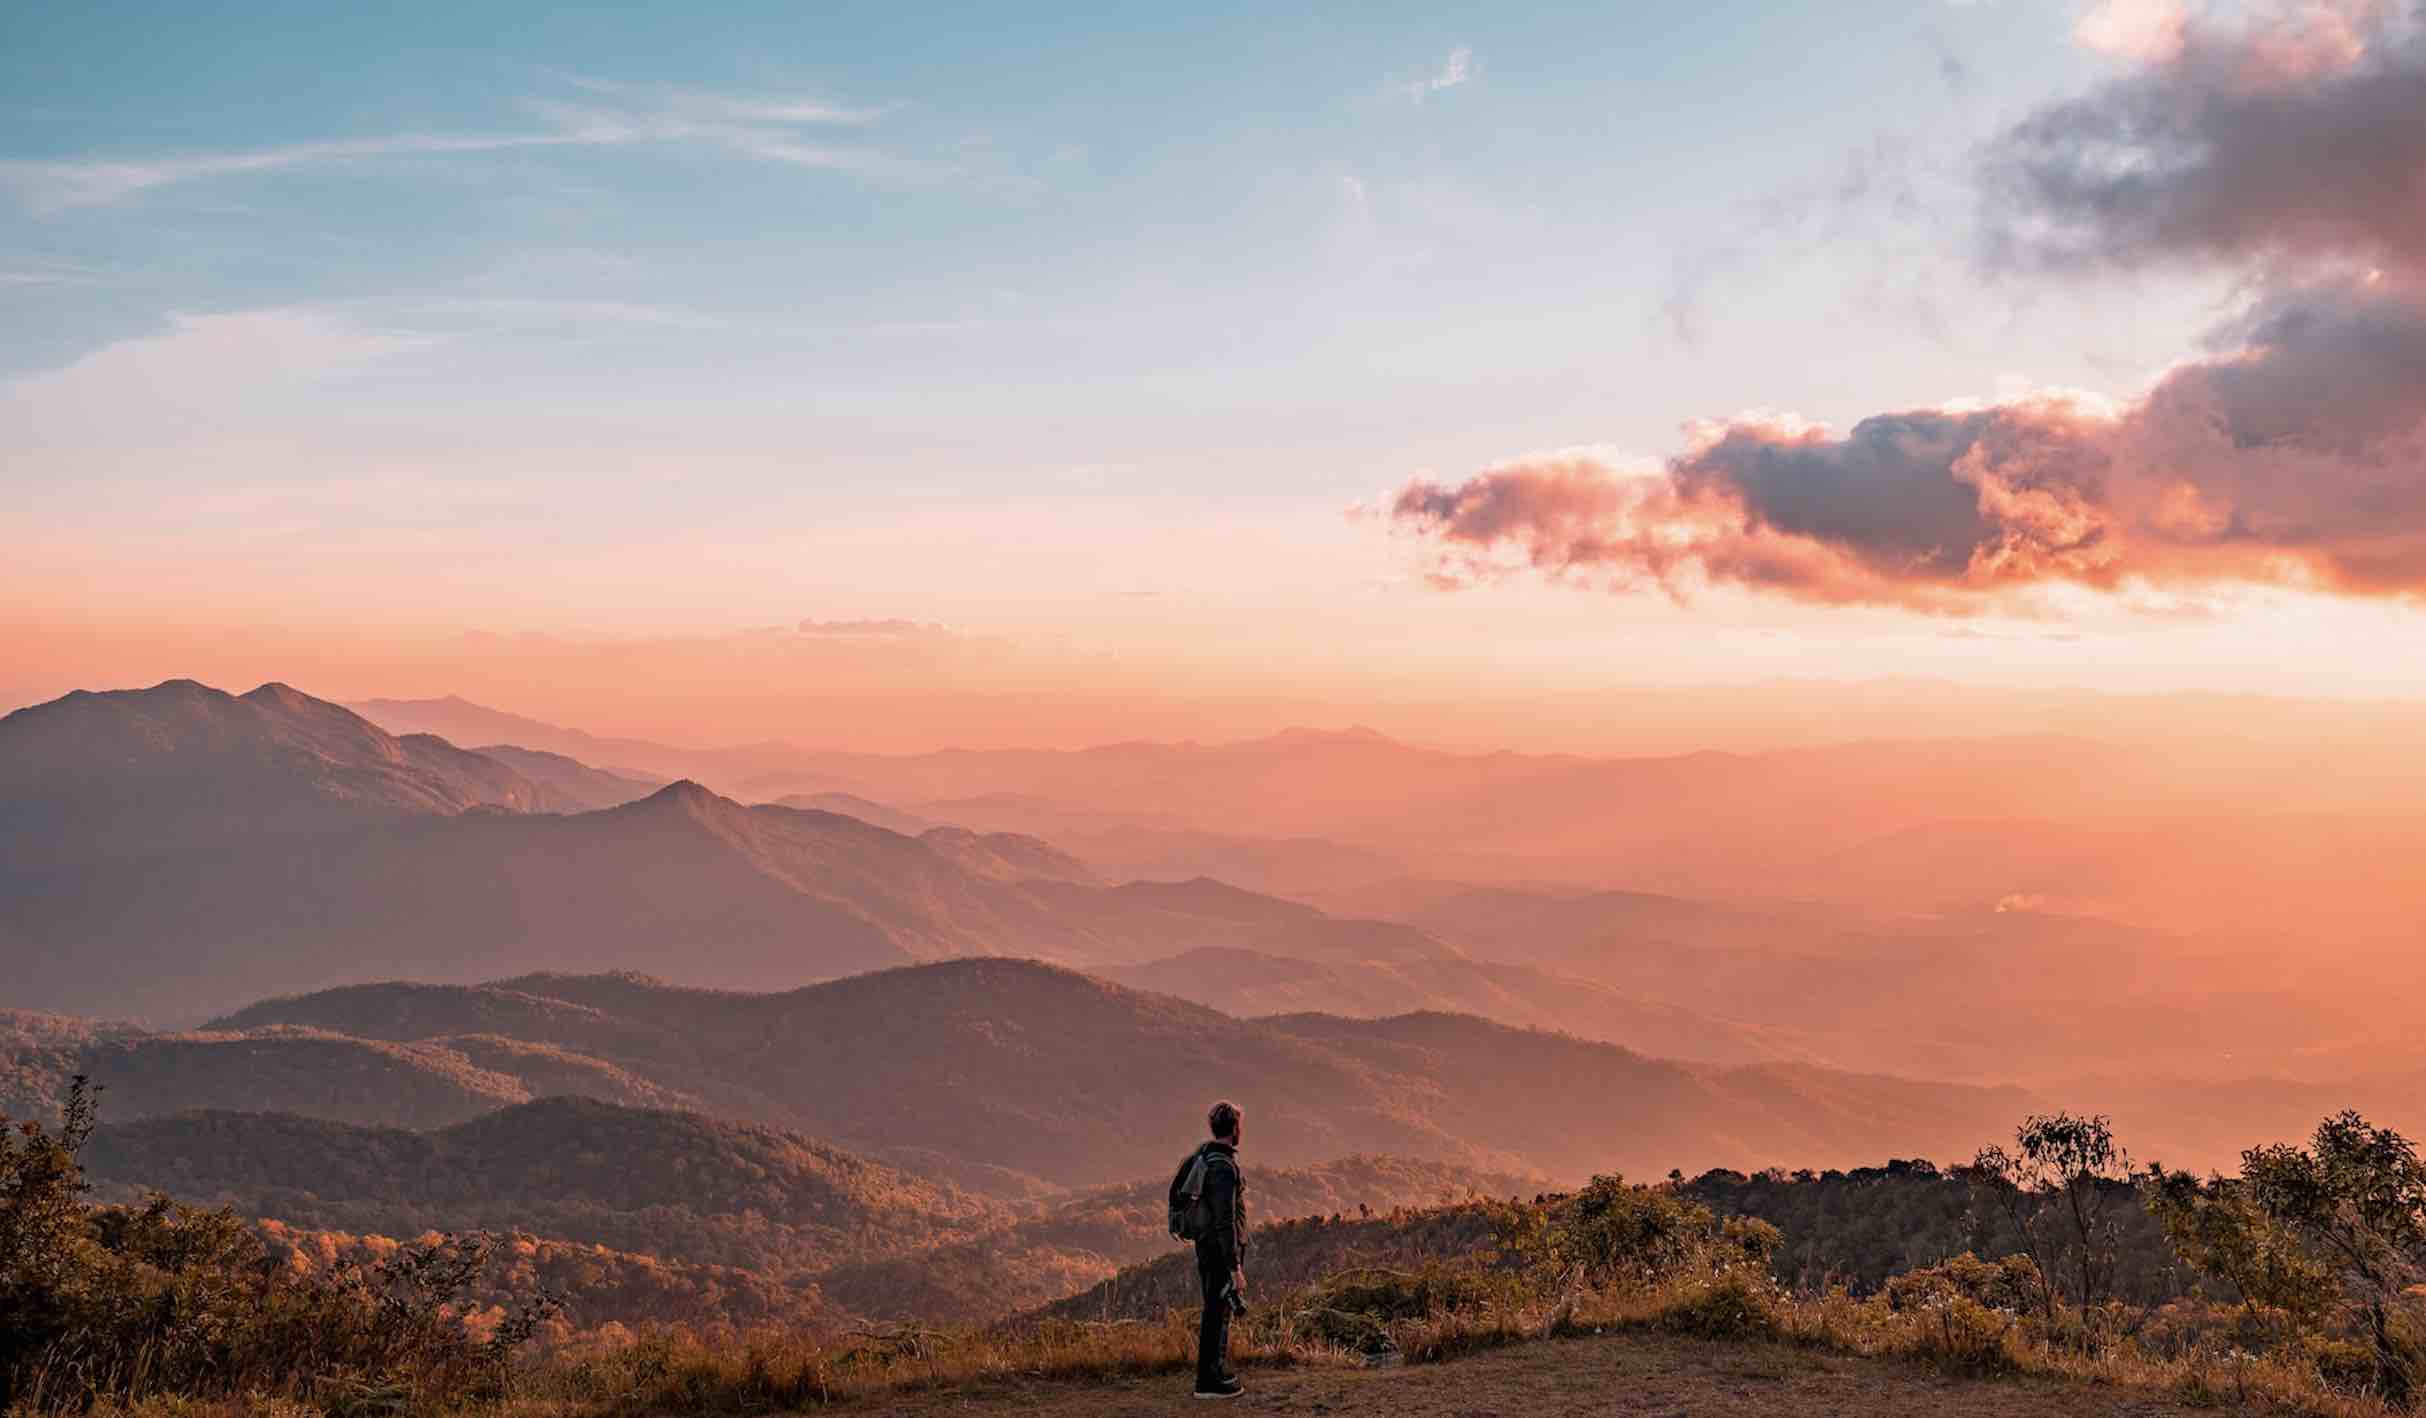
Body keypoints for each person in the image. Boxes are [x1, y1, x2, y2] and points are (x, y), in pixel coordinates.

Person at [1191, 1099, 1248, 1400]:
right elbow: (1225, 1221)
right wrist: (1234, 1266)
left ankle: (1213, 1373)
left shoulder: (1208, 1158)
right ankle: (1209, 1380)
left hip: (1207, 1247)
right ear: (1235, 1128)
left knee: (1216, 1309)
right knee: (1217, 1311)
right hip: (1219, 1252)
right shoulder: (1223, 1168)